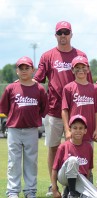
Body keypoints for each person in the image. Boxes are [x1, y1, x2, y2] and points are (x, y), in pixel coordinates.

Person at [33, 21, 93, 196]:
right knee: (53, 148)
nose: (63, 35)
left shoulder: (80, 55)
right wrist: (22, 83)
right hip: (54, 110)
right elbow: (38, 80)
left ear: (71, 34)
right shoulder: (48, 56)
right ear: (56, 35)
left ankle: (82, 183)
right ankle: (54, 186)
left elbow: (88, 81)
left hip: (76, 111)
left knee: (80, 147)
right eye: (60, 32)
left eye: (66, 32)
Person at [0, 56, 48, 198]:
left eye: (27, 68)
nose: (24, 71)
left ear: (32, 70)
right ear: (17, 71)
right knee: (13, 161)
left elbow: (43, 108)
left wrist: (31, 117)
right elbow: (5, 108)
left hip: (32, 129)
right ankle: (13, 191)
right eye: (21, 68)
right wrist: (15, 117)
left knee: (31, 161)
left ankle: (30, 190)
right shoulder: (11, 88)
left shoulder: (39, 89)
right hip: (14, 129)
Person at [51, 114, 97, 198]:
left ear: (85, 130)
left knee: (96, 197)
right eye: (75, 128)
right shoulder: (63, 146)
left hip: (80, 178)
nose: (78, 131)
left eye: (81, 128)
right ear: (70, 129)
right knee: (73, 160)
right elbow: (54, 169)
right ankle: (72, 193)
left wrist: (86, 186)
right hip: (64, 177)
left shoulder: (88, 147)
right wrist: (54, 190)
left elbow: (88, 170)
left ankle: (69, 191)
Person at [62, 55, 97, 143]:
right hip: (74, 132)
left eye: (83, 67)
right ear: (72, 70)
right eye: (77, 67)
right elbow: (64, 110)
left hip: (89, 131)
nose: (80, 70)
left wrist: (96, 130)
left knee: (87, 155)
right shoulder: (68, 88)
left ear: (88, 69)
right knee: (72, 156)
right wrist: (67, 130)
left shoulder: (95, 88)